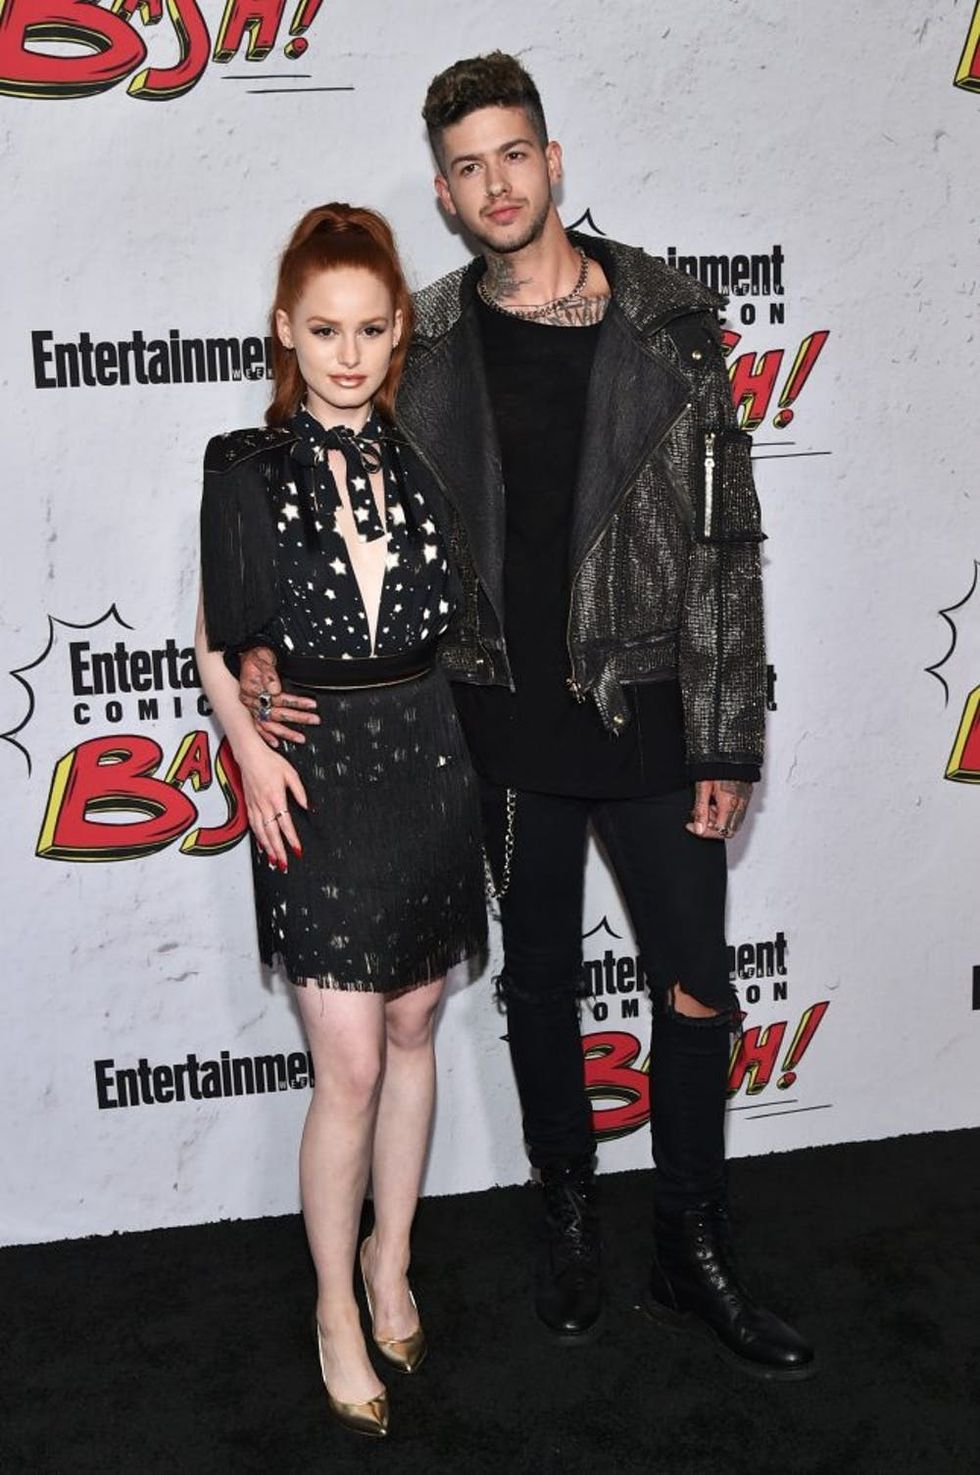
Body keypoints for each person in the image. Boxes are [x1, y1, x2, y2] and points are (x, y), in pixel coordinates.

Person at [239, 54, 815, 1381]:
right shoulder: (420, 339)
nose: (495, 183)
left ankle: (692, 1239)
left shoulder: (672, 320)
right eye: (466, 166)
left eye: (514, 154)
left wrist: (728, 734)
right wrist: (255, 626)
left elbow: (729, 543)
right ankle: (568, 1219)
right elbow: (322, 478)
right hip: (496, 727)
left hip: (656, 709)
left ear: (553, 163)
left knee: (692, 986)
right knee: (541, 987)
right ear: (443, 195)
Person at [194, 203, 487, 1438]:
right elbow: (213, 640)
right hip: (313, 774)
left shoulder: (427, 458)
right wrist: (250, 750)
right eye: (324, 329)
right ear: (284, 331)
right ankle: (330, 1303)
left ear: (399, 331)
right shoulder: (242, 466)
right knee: (351, 1061)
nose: (349, 353)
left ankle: (391, 1261)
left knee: (417, 1020)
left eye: (371, 328)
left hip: (427, 758)